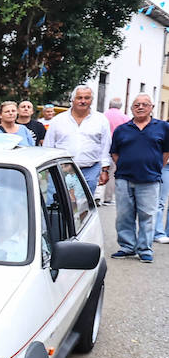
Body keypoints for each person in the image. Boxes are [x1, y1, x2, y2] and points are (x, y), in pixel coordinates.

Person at [108, 93, 169, 262]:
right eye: (136, 105)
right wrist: (128, 165)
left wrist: (154, 166)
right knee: (124, 215)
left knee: (147, 216)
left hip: (150, 179)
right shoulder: (122, 129)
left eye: (144, 104)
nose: (140, 107)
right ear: (131, 108)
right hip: (124, 179)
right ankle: (127, 247)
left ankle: (145, 249)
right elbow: (114, 153)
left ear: (151, 108)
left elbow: (165, 152)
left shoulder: (163, 127)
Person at [44, 86, 112, 194]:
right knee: (60, 206)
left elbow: (106, 146)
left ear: (91, 100)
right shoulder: (58, 120)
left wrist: (104, 170)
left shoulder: (101, 120)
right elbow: (48, 146)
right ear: (72, 100)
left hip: (90, 170)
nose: (83, 101)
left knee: (85, 206)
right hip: (62, 170)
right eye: (79, 98)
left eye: (87, 98)